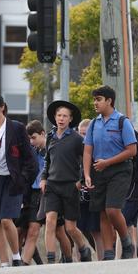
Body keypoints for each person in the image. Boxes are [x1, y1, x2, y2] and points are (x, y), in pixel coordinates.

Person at [0, 93, 38, 267]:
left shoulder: (17, 128)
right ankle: (4, 261)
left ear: (2, 107)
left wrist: (23, 179)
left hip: (12, 179)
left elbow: (30, 160)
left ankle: (16, 256)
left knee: (6, 219)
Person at [83, 86, 137, 260]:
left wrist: (108, 162)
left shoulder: (122, 121)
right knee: (102, 213)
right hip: (99, 170)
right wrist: (87, 174)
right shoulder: (93, 123)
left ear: (109, 101)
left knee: (112, 209)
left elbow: (132, 150)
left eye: (98, 99)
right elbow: (87, 151)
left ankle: (126, 242)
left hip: (120, 170)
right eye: (94, 99)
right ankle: (108, 252)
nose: (95, 103)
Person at [41, 101, 92, 263]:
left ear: (70, 119)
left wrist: (81, 180)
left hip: (71, 186)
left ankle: (84, 248)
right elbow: (47, 161)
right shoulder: (50, 137)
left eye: (65, 116)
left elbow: (87, 159)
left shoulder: (77, 139)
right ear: (55, 118)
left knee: (70, 227)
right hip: (52, 185)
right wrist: (43, 178)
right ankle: (50, 259)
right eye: (59, 115)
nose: (61, 119)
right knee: (50, 221)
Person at [15, 120, 48, 266]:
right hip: (28, 193)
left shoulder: (51, 149)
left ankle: (25, 262)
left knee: (35, 229)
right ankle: (20, 260)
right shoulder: (30, 152)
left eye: (33, 138)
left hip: (45, 192)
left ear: (42, 134)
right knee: (20, 229)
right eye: (29, 139)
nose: (31, 141)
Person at [76, 119, 104, 260]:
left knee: (96, 230)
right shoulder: (75, 149)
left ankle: (102, 260)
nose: (83, 137)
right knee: (76, 230)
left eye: (85, 134)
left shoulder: (96, 149)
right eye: (81, 134)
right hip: (78, 196)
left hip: (93, 194)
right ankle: (79, 262)